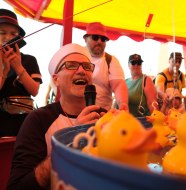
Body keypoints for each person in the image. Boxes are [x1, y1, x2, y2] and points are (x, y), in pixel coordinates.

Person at [8, 43, 104, 190]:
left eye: (87, 66)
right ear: (56, 79)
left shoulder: (106, 117)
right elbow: (18, 186)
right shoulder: (38, 120)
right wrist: (72, 143)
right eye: (71, 65)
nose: (81, 71)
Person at [0, 9, 42, 137]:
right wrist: (4, 70)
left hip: (25, 122)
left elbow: (34, 90)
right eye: (2, 32)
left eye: (13, 33)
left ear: (19, 37)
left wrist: (18, 67)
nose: (8, 37)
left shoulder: (29, 59)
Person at [83, 22, 128, 111]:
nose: (99, 41)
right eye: (95, 37)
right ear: (85, 39)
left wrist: (123, 103)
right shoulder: (76, 55)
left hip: (101, 115)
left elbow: (118, 84)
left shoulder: (111, 60)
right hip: (76, 113)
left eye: (103, 39)